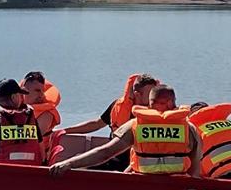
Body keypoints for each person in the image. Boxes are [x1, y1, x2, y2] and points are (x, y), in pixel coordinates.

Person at [49, 83, 195, 177]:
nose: (149, 108)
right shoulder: (189, 128)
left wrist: (68, 163)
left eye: (152, 103)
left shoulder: (135, 125)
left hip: (143, 186)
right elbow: (196, 170)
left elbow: (105, 152)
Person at [51, 73, 158, 172]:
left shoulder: (156, 115)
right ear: (137, 94)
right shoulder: (118, 107)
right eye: (150, 94)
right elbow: (97, 124)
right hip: (113, 159)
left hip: (136, 164)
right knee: (79, 165)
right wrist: (64, 130)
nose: (154, 98)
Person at [22, 71, 62, 155]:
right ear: (24, 90)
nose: (42, 95)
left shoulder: (47, 114)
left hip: (34, 157)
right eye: (37, 90)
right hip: (13, 154)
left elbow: (32, 138)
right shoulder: (15, 108)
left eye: (42, 91)